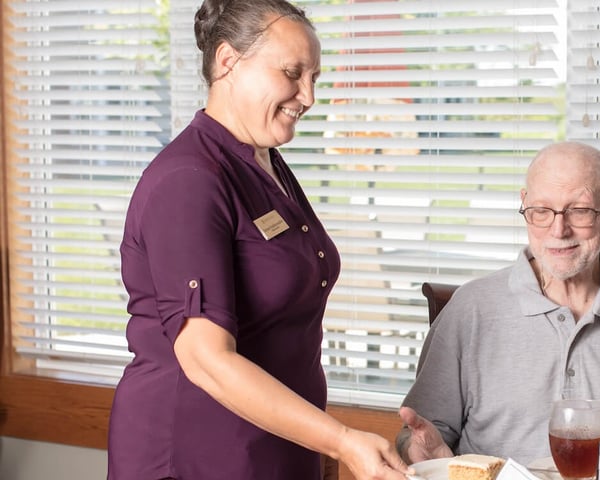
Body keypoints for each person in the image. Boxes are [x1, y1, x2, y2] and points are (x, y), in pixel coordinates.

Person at [106, 1, 414, 479]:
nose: (308, 96)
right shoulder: (189, 180)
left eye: (315, 77)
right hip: (196, 455)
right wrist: (341, 440)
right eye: (293, 72)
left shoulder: (265, 163)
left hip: (275, 449)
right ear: (228, 61)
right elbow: (206, 360)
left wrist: (323, 450)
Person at [396, 141, 600, 465]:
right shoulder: (470, 309)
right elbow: (421, 433)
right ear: (525, 205)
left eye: (579, 211)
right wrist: (419, 450)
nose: (558, 230)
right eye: (541, 211)